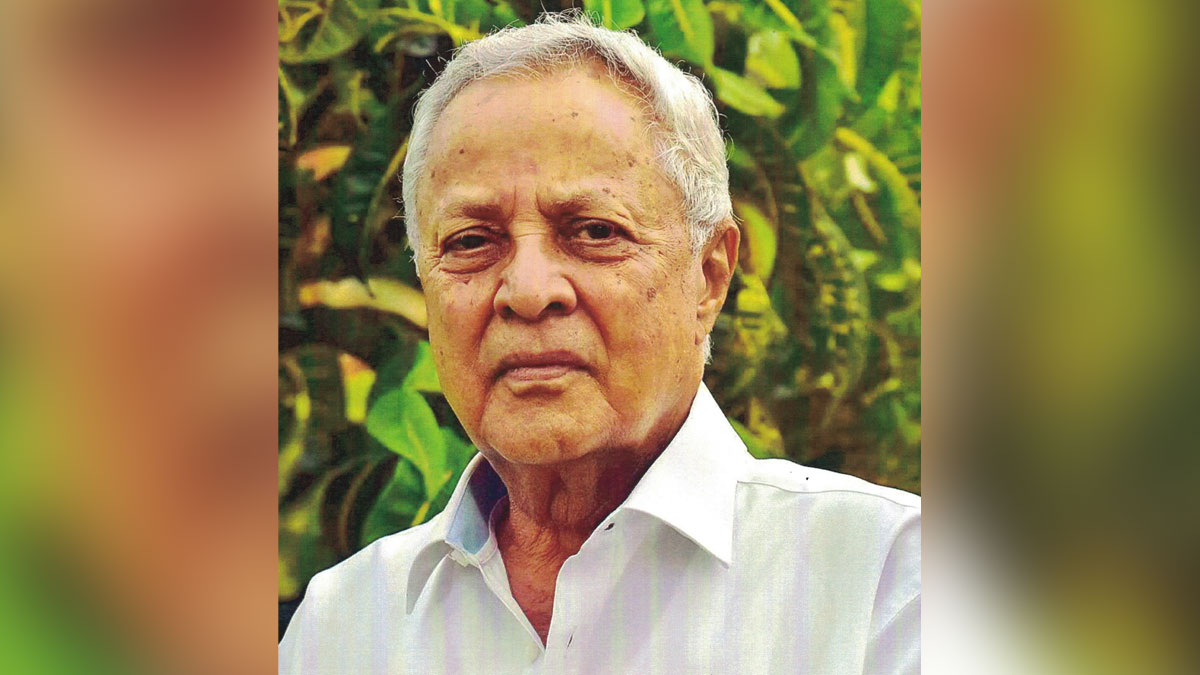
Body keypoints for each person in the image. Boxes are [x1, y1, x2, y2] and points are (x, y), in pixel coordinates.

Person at [279, 13, 919, 674]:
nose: (528, 291)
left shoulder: (888, 583)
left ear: (709, 275)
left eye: (593, 231)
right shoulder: (345, 626)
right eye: (471, 241)